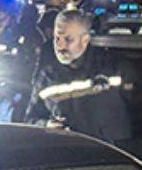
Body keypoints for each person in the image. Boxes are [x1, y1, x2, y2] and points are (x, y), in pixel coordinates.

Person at [26, 8, 133, 143]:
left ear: (85, 40)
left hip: (109, 157)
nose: (60, 45)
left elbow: (141, 115)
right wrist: (47, 125)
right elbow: (31, 119)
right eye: (56, 38)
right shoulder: (47, 76)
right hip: (70, 157)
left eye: (68, 39)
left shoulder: (114, 68)